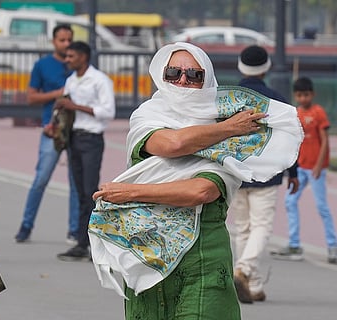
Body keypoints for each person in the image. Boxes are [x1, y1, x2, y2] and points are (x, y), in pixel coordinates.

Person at [87, 42, 302, 319]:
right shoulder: (149, 115)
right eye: (174, 73)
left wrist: (131, 192)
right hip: (148, 254)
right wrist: (225, 129)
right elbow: (173, 144)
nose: (183, 80)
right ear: (161, 75)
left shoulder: (230, 131)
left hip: (203, 259)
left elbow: (201, 191)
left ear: (207, 80)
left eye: (194, 75)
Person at [229, 45, 299, 304]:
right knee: (261, 226)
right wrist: (293, 172)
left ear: (240, 65)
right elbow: (291, 138)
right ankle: (244, 271)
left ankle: (254, 285)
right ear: (267, 67)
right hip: (268, 172)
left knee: (243, 227)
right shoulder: (277, 99)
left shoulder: (231, 97)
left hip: (237, 170)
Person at [15, 24, 80, 244]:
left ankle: (74, 229)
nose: (66, 44)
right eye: (62, 40)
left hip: (77, 129)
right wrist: (58, 94)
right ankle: (26, 224)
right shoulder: (42, 65)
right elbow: (32, 97)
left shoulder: (79, 65)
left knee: (76, 181)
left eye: (69, 39)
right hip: (51, 128)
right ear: (54, 41)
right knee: (41, 178)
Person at [56, 41, 116, 261]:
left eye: (71, 56)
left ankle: (97, 243)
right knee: (80, 192)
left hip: (91, 139)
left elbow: (108, 111)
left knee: (91, 191)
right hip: (73, 138)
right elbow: (67, 107)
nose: (67, 59)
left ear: (83, 57)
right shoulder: (71, 80)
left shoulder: (100, 80)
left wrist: (76, 107)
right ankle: (82, 243)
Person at [271, 77, 337, 264]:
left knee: (322, 207)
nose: (303, 98)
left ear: (312, 94)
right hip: (301, 168)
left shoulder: (318, 113)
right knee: (290, 202)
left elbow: (324, 139)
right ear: (295, 95)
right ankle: (294, 244)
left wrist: (319, 164)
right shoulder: (296, 114)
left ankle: (333, 247)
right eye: (299, 95)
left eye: (306, 94)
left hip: (316, 169)